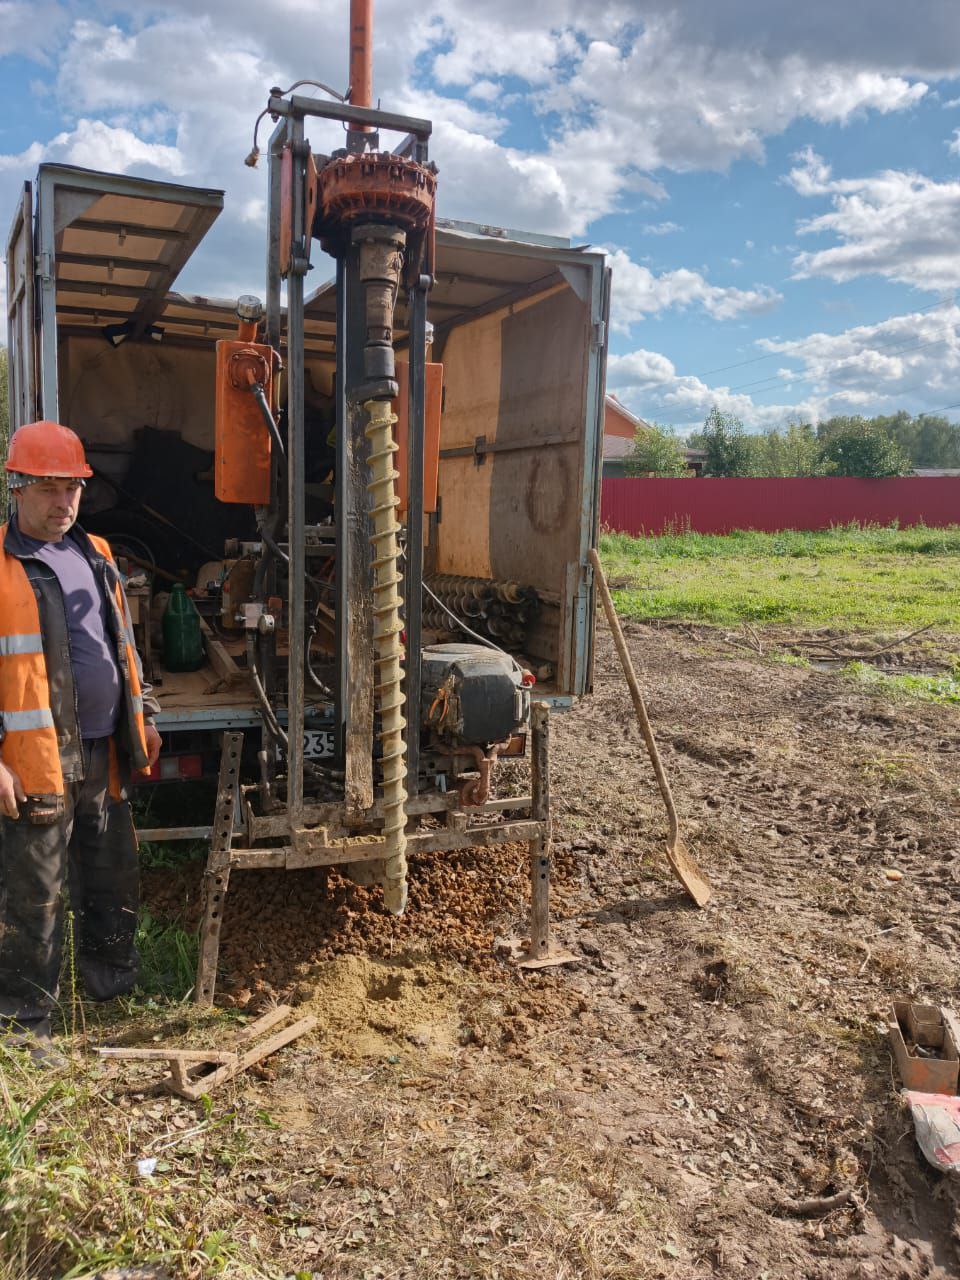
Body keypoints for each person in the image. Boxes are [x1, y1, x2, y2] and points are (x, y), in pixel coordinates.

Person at [0, 420, 162, 1062]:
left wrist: (145, 715)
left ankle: (110, 991)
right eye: (48, 488)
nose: (63, 501)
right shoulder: (1, 564)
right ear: (17, 487)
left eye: (72, 488)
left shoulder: (96, 552)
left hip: (105, 753)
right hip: (33, 760)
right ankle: (24, 1024)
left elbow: (123, 645)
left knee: (111, 876)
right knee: (33, 895)